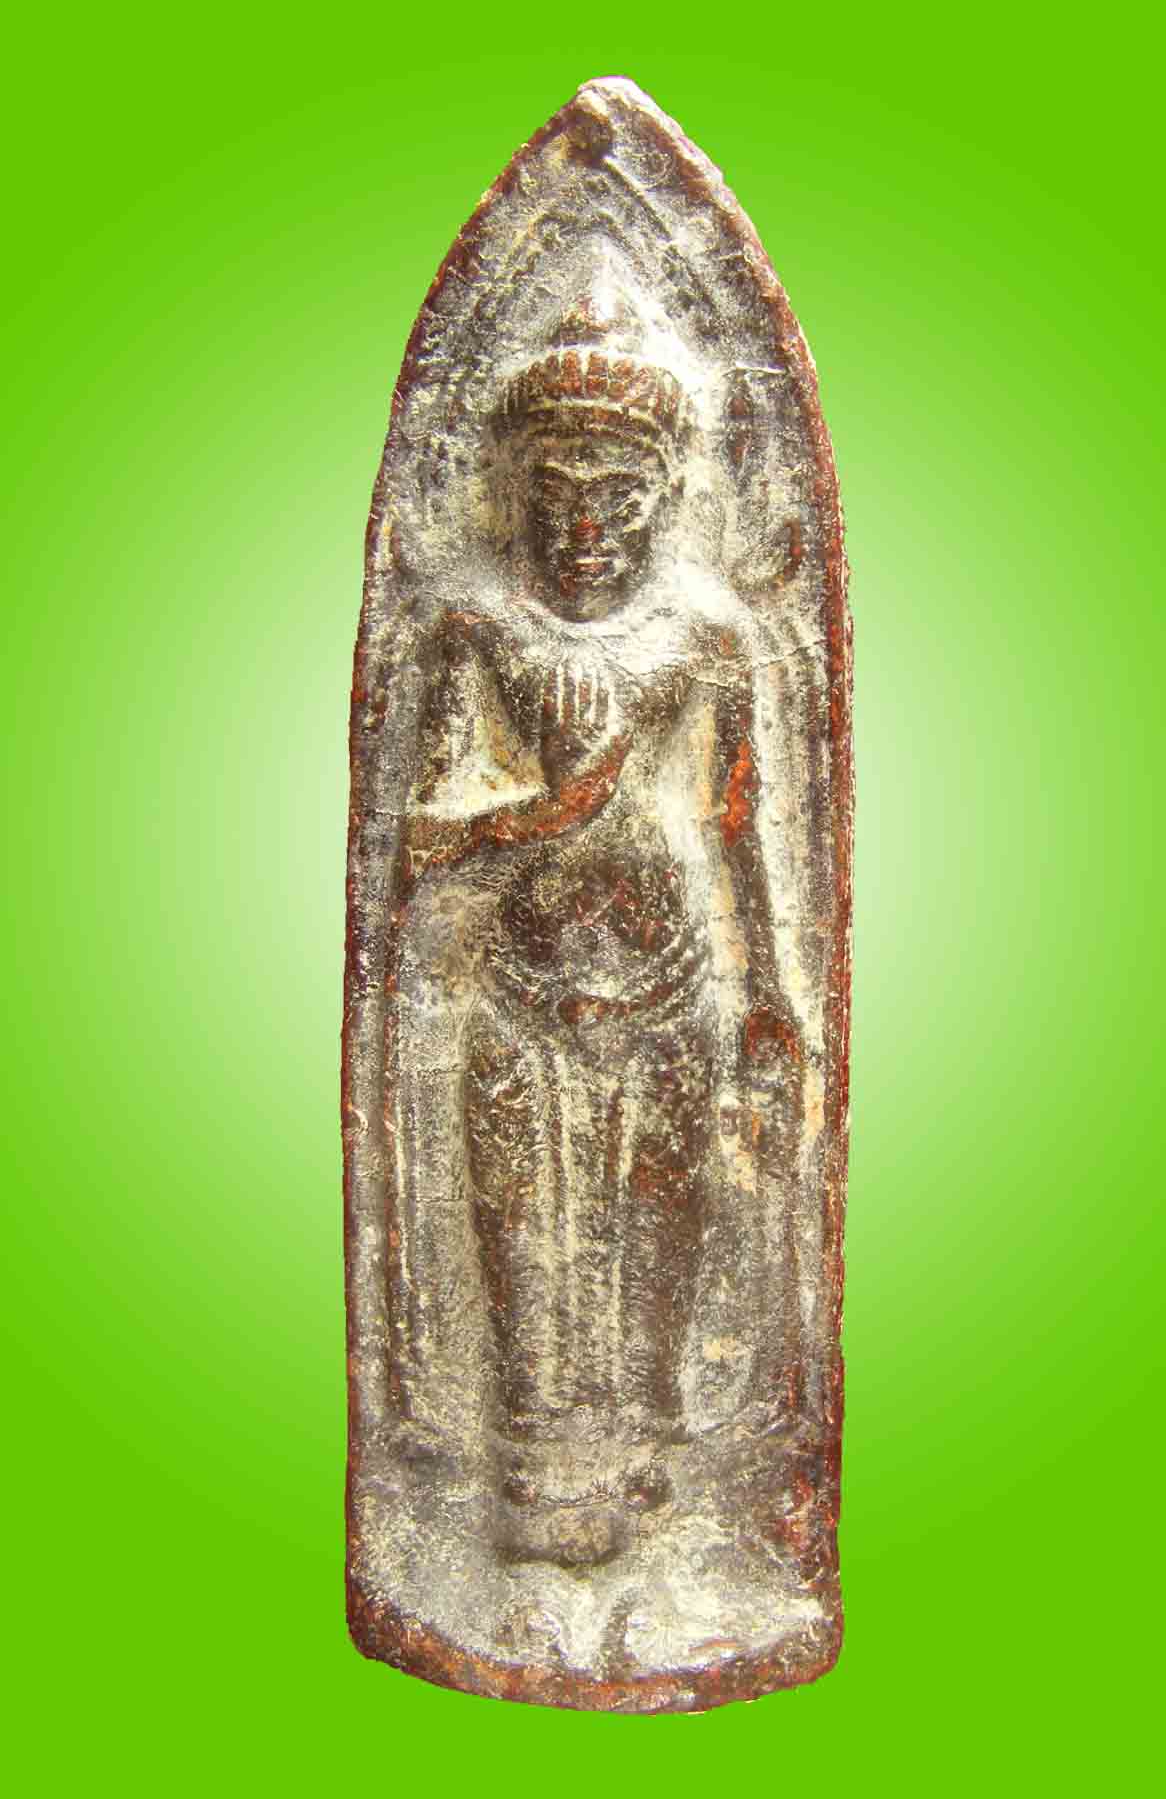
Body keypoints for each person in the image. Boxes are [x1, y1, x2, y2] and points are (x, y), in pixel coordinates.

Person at [396, 294, 802, 1565]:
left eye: (617, 497)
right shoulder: (474, 628)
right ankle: (524, 1499)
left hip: (670, 988)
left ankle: (655, 1506)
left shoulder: (706, 637)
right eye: (556, 494)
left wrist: (767, 994)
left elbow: (735, 829)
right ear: (510, 494)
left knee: (658, 1260)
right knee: (521, 1256)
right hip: (520, 991)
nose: (585, 530)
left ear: (665, 497)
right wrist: (544, 811)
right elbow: (418, 842)